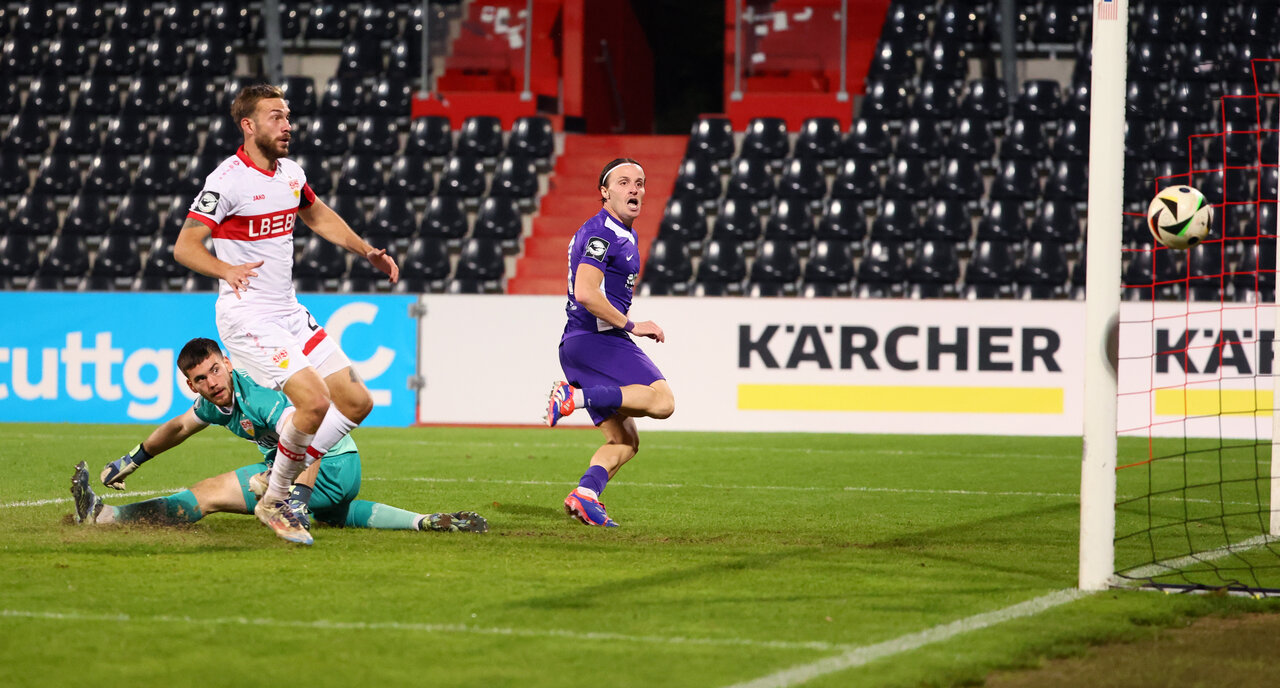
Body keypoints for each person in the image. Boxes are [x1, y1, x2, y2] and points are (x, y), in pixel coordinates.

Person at [173, 83, 399, 542]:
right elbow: (185, 246)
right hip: (247, 317)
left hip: (288, 311)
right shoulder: (227, 180)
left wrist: (365, 251)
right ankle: (277, 499)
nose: (287, 125)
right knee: (313, 402)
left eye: (288, 117)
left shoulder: (290, 174)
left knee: (357, 402)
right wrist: (225, 269)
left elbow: (317, 215)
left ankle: (277, 475)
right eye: (276, 117)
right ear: (248, 125)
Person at [71, 338, 487, 543]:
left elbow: (308, 431)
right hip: (344, 468)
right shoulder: (217, 403)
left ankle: (106, 518)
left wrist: (296, 498)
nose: (212, 382)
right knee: (337, 515)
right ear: (191, 385)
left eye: (215, 370)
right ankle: (424, 521)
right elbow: (179, 428)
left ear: (227, 363)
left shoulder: (258, 396)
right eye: (201, 379)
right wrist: (133, 458)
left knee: (207, 494)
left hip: (325, 462)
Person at [543, 158, 675, 527]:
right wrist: (633, 325)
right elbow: (586, 292)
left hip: (579, 343)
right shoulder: (603, 233)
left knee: (624, 441)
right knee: (663, 402)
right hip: (596, 339)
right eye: (624, 182)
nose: (635, 189)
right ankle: (573, 398)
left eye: (640, 183)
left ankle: (585, 495)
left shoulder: (620, 232)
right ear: (604, 192)